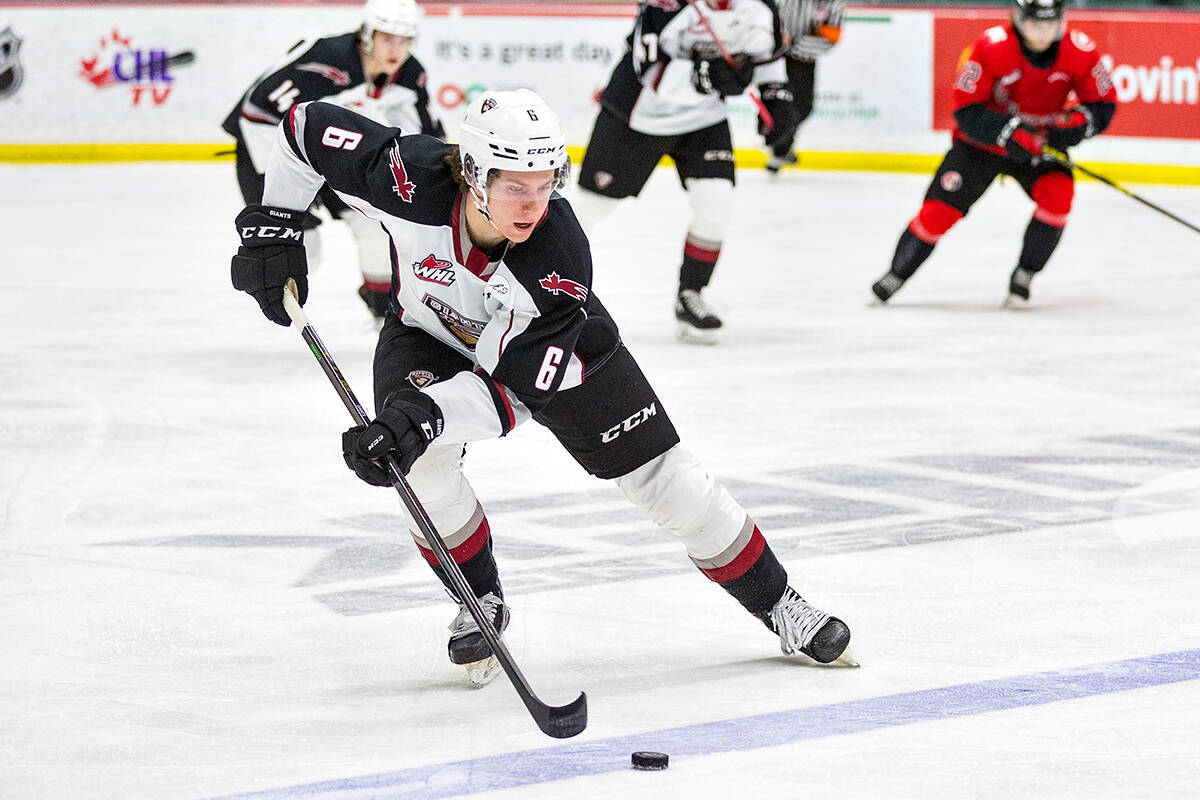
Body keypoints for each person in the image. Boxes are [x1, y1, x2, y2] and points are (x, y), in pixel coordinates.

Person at [230, 89, 855, 686]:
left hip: (565, 349)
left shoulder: (558, 257)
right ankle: (481, 600)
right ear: (473, 174)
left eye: (546, 183)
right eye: (515, 188)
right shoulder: (404, 174)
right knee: (418, 469)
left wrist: (420, 417)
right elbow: (303, 126)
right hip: (426, 333)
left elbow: (515, 395)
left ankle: (781, 604)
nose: (535, 205)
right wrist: (274, 222)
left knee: (669, 482)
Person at [571, 0, 796, 345]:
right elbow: (646, 68)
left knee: (716, 204)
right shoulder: (666, 6)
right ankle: (539, 285)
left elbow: (766, 57)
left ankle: (690, 295)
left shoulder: (760, 7)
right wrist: (703, 75)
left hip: (703, 118)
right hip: (636, 115)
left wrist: (777, 98)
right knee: (589, 210)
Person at [871, 0, 1116, 307]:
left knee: (1059, 194)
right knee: (938, 213)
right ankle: (896, 273)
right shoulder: (991, 47)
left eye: (1049, 25)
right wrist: (1007, 131)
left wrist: (1079, 125)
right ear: (1018, 20)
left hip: (1037, 147)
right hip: (980, 147)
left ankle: (1025, 275)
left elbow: (1103, 104)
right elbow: (966, 109)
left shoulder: (1080, 51)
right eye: (1034, 25)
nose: (1041, 34)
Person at [221, 0, 444, 323]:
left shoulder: (410, 74)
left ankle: (386, 317)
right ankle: (259, 278)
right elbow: (257, 110)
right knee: (304, 248)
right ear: (367, 35)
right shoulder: (327, 61)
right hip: (272, 152)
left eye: (405, 40)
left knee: (378, 230)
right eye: (388, 38)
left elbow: (427, 134)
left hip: (333, 153)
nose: (397, 49)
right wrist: (291, 180)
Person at [761, 0, 846, 174]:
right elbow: (761, 15)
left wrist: (793, 42)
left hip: (804, 61)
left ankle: (782, 145)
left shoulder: (833, 3)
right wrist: (776, 37)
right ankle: (779, 148)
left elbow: (831, 38)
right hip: (776, 57)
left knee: (803, 107)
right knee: (778, 103)